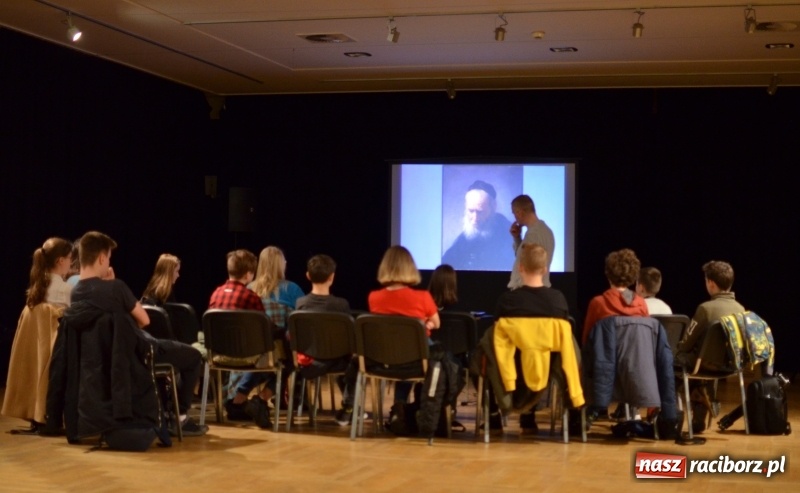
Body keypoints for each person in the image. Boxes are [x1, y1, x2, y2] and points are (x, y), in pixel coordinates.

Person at [70, 231, 206, 436]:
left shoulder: (75, 292)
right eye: (108, 258)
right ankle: (180, 416)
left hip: (101, 359)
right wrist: (112, 285)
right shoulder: (116, 287)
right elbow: (144, 320)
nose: (108, 262)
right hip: (137, 350)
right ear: (101, 258)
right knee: (194, 356)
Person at [492, 243, 571, 432]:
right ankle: (529, 416)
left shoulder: (508, 301)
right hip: (547, 367)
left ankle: (493, 416)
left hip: (512, 366)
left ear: (520, 267)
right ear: (545, 269)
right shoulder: (557, 300)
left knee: (489, 356)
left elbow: (497, 338)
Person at [2, 237, 75, 432]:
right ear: (60, 261)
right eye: (70, 258)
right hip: (55, 348)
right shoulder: (67, 290)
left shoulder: (37, 288)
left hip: (36, 352)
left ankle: (37, 413)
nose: (71, 263)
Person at [207, 249, 274, 429]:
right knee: (282, 362)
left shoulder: (216, 294)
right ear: (249, 274)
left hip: (218, 356)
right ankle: (256, 401)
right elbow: (262, 331)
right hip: (246, 357)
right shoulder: (251, 297)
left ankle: (237, 403)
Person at [368, 245, 440, 405]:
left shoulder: (374, 298)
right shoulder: (423, 297)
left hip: (384, 360)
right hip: (417, 361)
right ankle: (414, 408)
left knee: (400, 348)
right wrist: (427, 323)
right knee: (413, 350)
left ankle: (399, 407)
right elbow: (437, 323)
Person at [294, 254, 355, 425]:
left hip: (308, 365)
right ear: (332, 277)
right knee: (356, 362)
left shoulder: (301, 303)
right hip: (338, 363)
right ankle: (349, 408)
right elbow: (349, 339)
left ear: (307, 276)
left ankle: (350, 409)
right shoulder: (341, 305)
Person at [677, 260, 745, 367]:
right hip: (730, 366)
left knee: (673, 354)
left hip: (704, 364)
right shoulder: (741, 309)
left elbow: (686, 345)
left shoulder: (705, 309)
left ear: (711, 283)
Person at [442, 180, 514, 270]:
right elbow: (446, 263)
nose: (475, 219)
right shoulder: (467, 235)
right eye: (471, 211)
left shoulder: (508, 232)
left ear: (493, 207)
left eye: (480, 212)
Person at [581, 248, 648, 344]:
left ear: (608, 275)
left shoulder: (598, 303)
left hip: (606, 358)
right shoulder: (641, 303)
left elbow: (587, 341)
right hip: (637, 358)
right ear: (633, 276)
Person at [508, 194, 555, 289]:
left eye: (514, 213)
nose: (515, 218)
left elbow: (529, 265)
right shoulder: (542, 231)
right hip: (531, 292)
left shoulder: (534, 234)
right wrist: (517, 238)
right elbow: (523, 257)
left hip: (527, 293)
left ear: (520, 212)